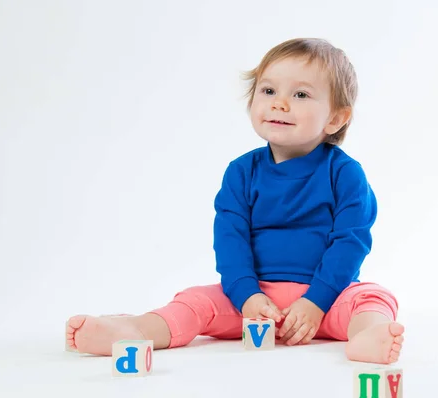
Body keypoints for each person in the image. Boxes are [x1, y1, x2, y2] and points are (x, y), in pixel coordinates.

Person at [66, 37, 404, 365]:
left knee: (374, 299)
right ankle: (135, 329)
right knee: (195, 301)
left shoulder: (344, 173)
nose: (279, 103)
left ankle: (367, 337)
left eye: (300, 94)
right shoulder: (242, 172)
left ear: (335, 118)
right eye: (268, 91)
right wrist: (246, 296)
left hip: (327, 298)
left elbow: (351, 241)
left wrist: (316, 301)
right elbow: (230, 240)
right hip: (253, 299)